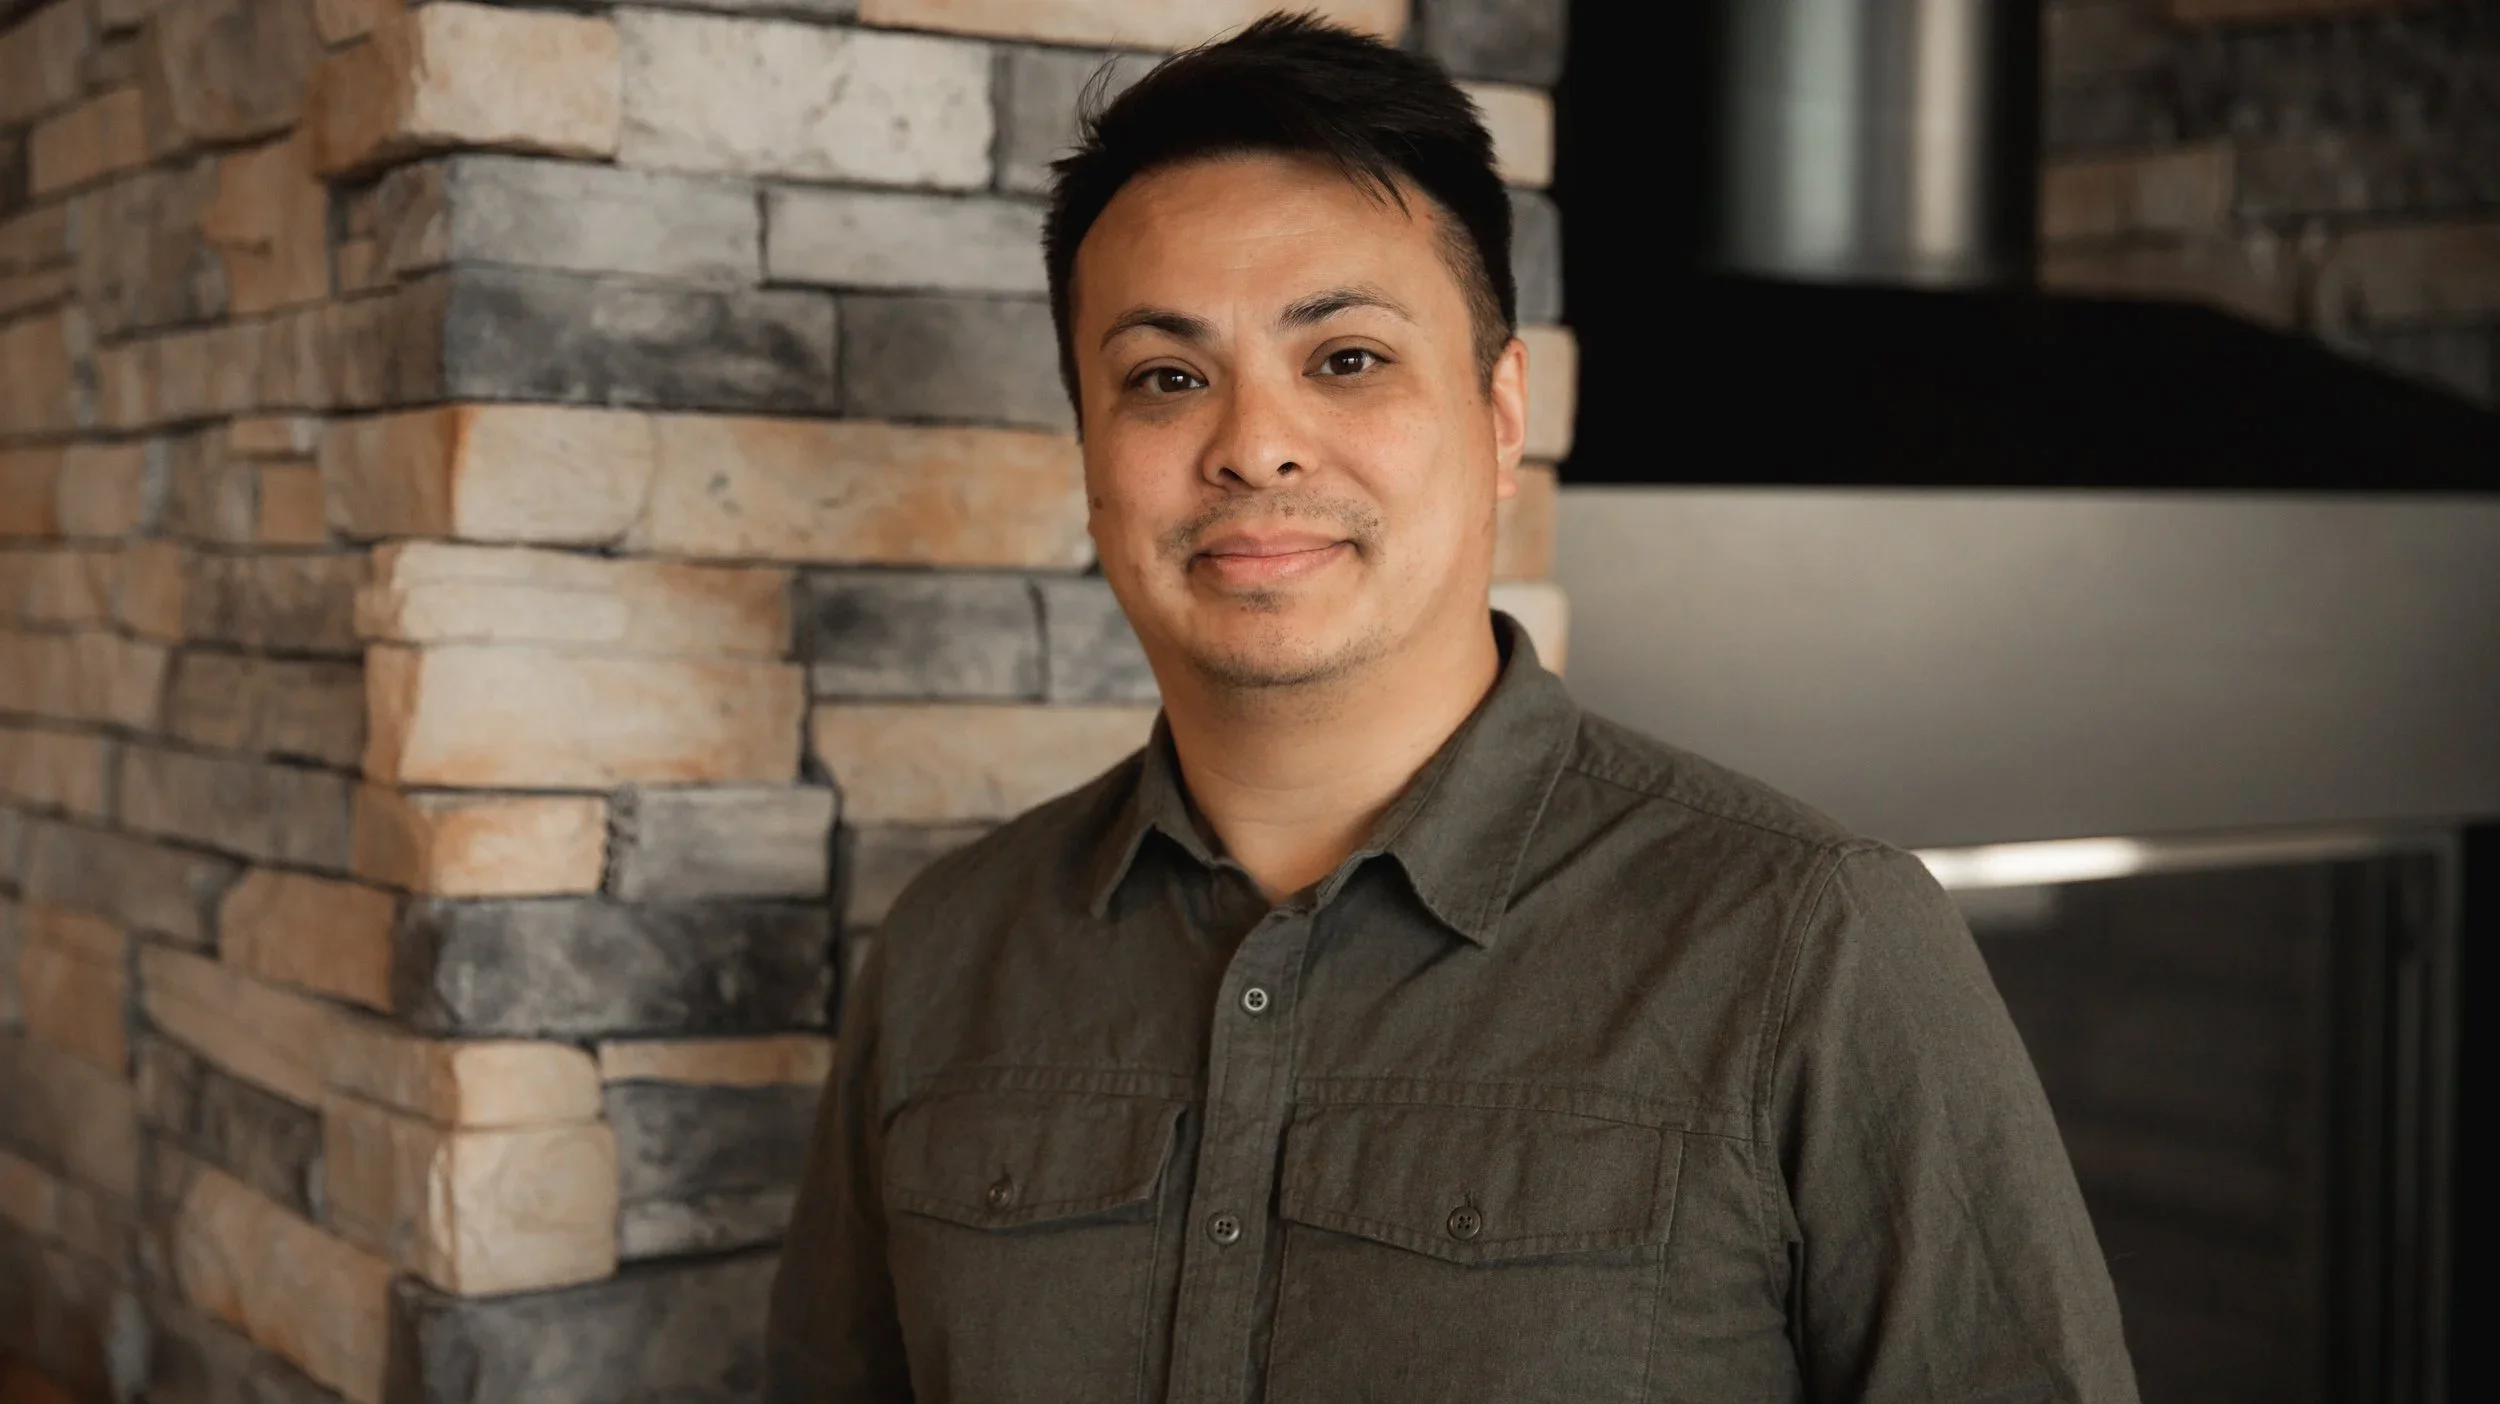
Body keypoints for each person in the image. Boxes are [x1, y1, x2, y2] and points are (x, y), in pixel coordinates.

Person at [766, 14, 2139, 1402]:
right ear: (1091, 456)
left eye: (1346, 359)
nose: (1253, 445)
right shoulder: (948, 953)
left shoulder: (1815, 946)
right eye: (1166, 379)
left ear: (1499, 416)